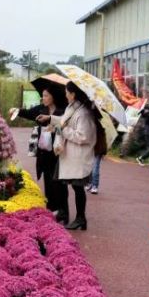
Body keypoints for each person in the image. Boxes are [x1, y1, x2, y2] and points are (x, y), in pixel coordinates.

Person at [11, 84, 68, 220]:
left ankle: (63, 211)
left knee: (59, 183)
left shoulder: (62, 111)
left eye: (46, 95)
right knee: (48, 180)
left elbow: (65, 128)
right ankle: (51, 208)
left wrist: (54, 128)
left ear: (53, 96)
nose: (43, 98)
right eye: (42, 96)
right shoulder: (41, 109)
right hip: (44, 152)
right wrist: (17, 111)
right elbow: (28, 113)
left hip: (57, 151)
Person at [53, 82, 104, 231]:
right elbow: (63, 121)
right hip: (69, 156)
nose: (65, 94)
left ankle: (81, 218)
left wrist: (64, 130)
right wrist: (51, 120)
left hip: (78, 157)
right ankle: (69, 214)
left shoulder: (83, 113)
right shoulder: (74, 108)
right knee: (63, 183)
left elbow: (83, 137)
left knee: (78, 188)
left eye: (67, 92)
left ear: (73, 94)